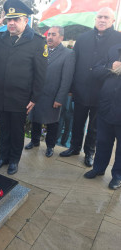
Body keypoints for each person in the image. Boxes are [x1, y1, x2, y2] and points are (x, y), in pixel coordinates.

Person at [0, 0, 47, 175]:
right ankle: (3, 157)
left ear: (25, 20)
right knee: (4, 130)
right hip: (1, 96)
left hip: (21, 98)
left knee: (16, 131)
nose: (11, 23)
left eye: (16, 19)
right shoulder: (0, 38)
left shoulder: (37, 42)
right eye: (9, 20)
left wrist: (34, 98)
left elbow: (41, 73)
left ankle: (14, 160)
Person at [59, 8, 121, 167]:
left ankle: (89, 153)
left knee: (94, 127)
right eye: (99, 16)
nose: (102, 20)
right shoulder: (83, 37)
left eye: (106, 17)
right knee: (77, 122)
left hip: (104, 92)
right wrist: (72, 87)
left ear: (112, 21)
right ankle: (74, 147)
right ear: (95, 19)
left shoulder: (118, 39)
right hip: (80, 89)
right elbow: (74, 63)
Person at [25, 26, 75, 157]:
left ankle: (50, 146)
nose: (50, 37)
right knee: (35, 119)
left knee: (52, 122)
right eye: (48, 34)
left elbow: (66, 80)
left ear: (61, 37)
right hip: (37, 94)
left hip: (53, 96)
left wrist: (60, 98)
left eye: (53, 34)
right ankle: (34, 141)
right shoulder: (41, 51)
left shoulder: (68, 54)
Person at [84, 43, 121, 190]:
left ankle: (118, 176)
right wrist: (111, 67)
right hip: (106, 107)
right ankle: (98, 168)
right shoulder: (113, 49)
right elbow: (96, 70)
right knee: (103, 141)